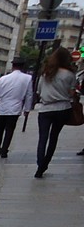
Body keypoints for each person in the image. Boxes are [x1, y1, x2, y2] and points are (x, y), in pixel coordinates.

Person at [32, 47, 77, 178]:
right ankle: (45, 163)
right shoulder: (70, 74)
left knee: (42, 138)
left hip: (45, 109)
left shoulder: (46, 73)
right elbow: (72, 92)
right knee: (54, 137)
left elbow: (39, 91)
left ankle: (40, 164)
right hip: (63, 108)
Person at [0, 58, 34, 158]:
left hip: (3, 107)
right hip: (15, 107)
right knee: (9, 130)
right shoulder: (27, 78)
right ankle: (4, 151)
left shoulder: (3, 78)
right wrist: (27, 109)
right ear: (22, 67)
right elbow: (29, 95)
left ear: (12, 66)